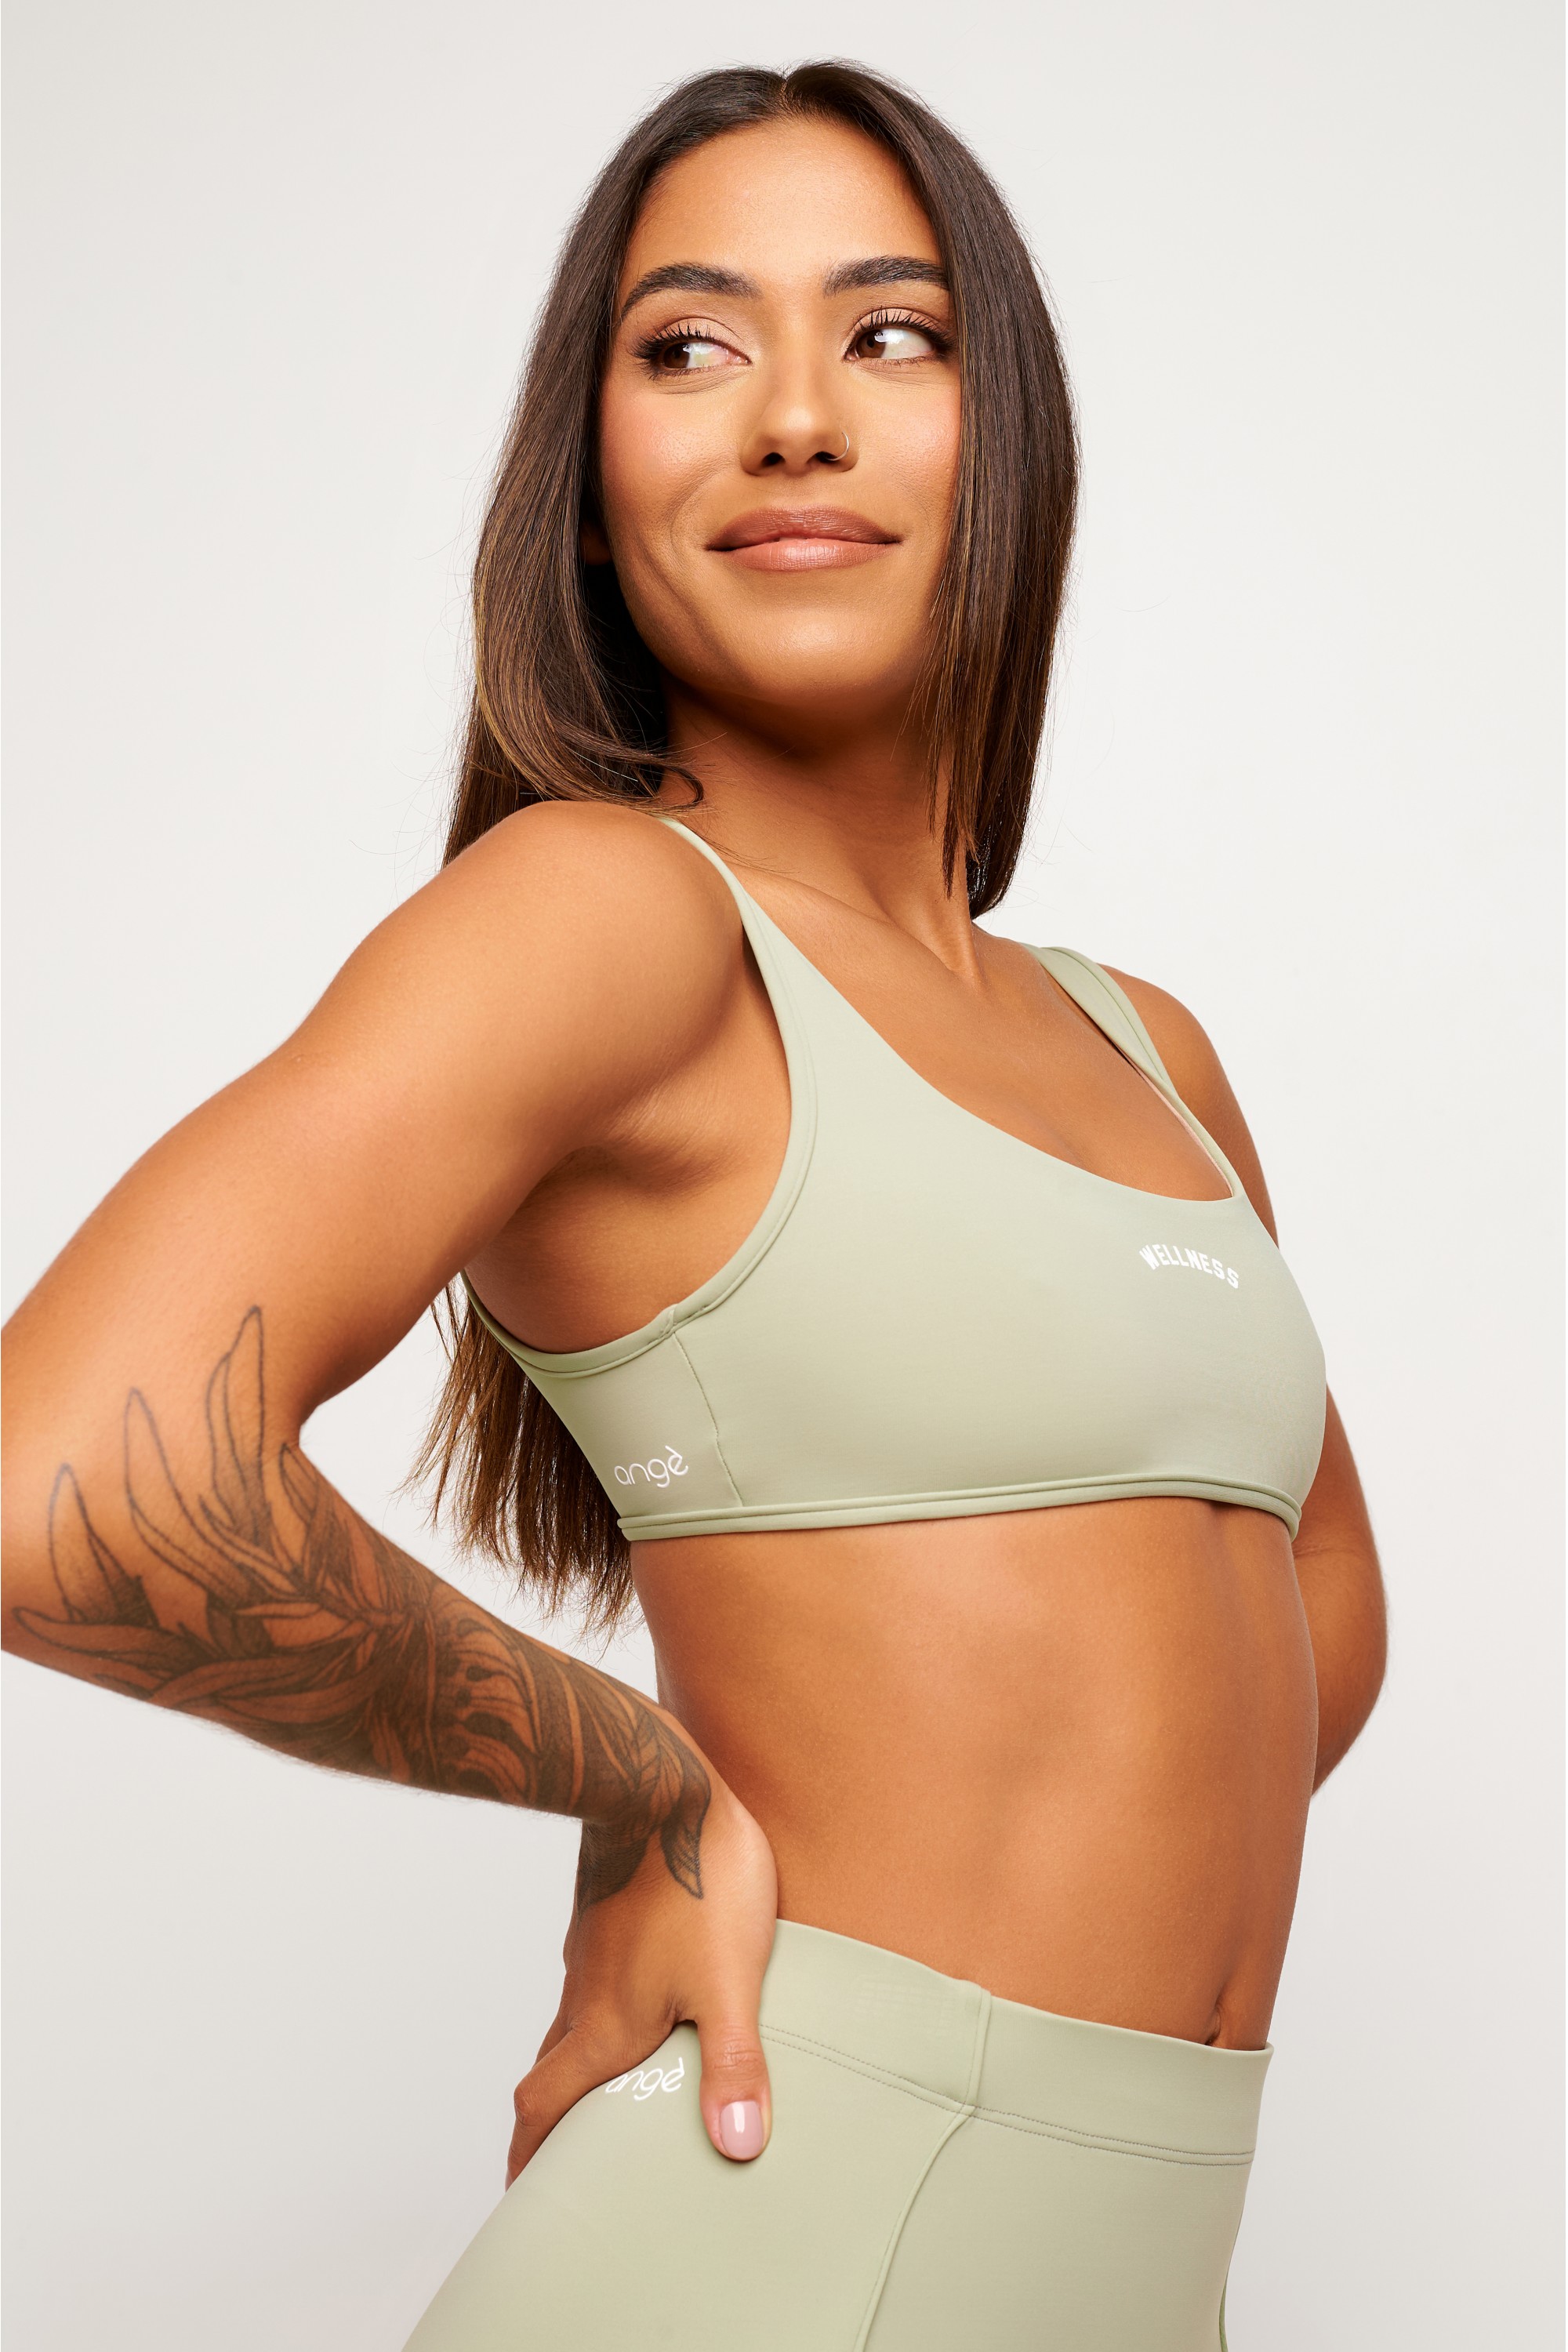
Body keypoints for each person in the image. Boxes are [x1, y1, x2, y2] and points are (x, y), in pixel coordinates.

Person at [1, 60, 1386, 2351]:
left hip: (1125, 2265)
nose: (797, 420)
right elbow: (55, 1482)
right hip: (788, 2230)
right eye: (691, 346)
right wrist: (641, 1781)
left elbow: (1297, 1599)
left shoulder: (1146, 1045)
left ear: (1008, 446)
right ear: (591, 488)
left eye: (893, 334)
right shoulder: (613, 916)